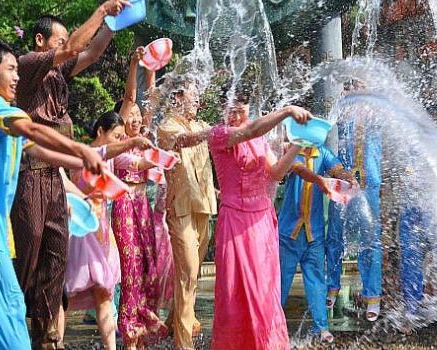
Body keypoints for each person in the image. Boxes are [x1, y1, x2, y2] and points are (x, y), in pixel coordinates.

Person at [0, 41, 106, 350]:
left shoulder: (3, 121)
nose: (17, 77)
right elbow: (30, 131)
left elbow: (41, 152)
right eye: (11, 69)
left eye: (18, 70)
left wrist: (92, 164)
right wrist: (80, 148)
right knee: (10, 306)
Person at [10, 2, 131, 348]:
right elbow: (77, 47)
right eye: (58, 41)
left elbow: (91, 52)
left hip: (55, 177)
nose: (64, 47)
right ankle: (13, 328)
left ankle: (49, 338)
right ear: (39, 41)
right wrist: (101, 8)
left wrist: (113, 23)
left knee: (55, 256)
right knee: (30, 250)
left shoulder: (59, 75)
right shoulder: (28, 66)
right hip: (30, 173)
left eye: (64, 41)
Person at [209, 82, 312, 349]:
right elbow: (251, 129)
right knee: (234, 292)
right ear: (223, 109)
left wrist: (298, 145)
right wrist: (288, 110)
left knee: (264, 291)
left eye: (241, 110)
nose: (236, 116)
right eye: (231, 110)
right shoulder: (220, 134)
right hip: (234, 221)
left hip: (262, 221)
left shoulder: (257, 136)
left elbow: (276, 172)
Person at [65, 111, 154, 350]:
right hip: (83, 231)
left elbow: (135, 163)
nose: (120, 141)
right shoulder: (84, 153)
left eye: (122, 137)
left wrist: (158, 158)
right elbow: (100, 159)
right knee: (68, 295)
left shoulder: (113, 156)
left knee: (104, 293)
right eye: (117, 136)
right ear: (100, 132)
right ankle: (54, 342)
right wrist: (132, 142)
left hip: (103, 233)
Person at [112, 48, 170, 349]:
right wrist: (134, 63)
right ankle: (130, 334)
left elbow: (149, 100)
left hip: (142, 206)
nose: (135, 118)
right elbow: (133, 98)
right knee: (131, 265)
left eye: (138, 117)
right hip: (123, 203)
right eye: (131, 116)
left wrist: (153, 67)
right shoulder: (121, 138)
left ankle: (144, 327)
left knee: (149, 264)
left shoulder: (144, 132)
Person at [156, 75, 218, 350]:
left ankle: (172, 322)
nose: (196, 103)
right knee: (189, 271)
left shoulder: (202, 125)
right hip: (180, 209)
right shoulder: (167, 126)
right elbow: (185, 141)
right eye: (192, 98)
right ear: (178, 98)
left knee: (191, 273)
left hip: (204, 206)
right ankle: (184, 343)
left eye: (197, 98)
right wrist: (214, 132)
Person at [277, 144, 356, 343]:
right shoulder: (290, 150)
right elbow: (300, 170)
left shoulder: (324, 152)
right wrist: (318, 179)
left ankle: (321, 327)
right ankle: (270, 326)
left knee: (316, 282)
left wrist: (348, 178)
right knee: (280, 283)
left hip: (314, 233)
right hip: (289, 233)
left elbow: (337, 169)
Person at [326, 86, 384, 322]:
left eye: (363, 86)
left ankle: (373, 297)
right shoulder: (343, 113)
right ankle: (331, 286)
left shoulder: (378, 113)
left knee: (370, 240)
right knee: (334, 236)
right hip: (343, 181)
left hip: (368, 184)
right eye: (354, 86)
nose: (357, 90)